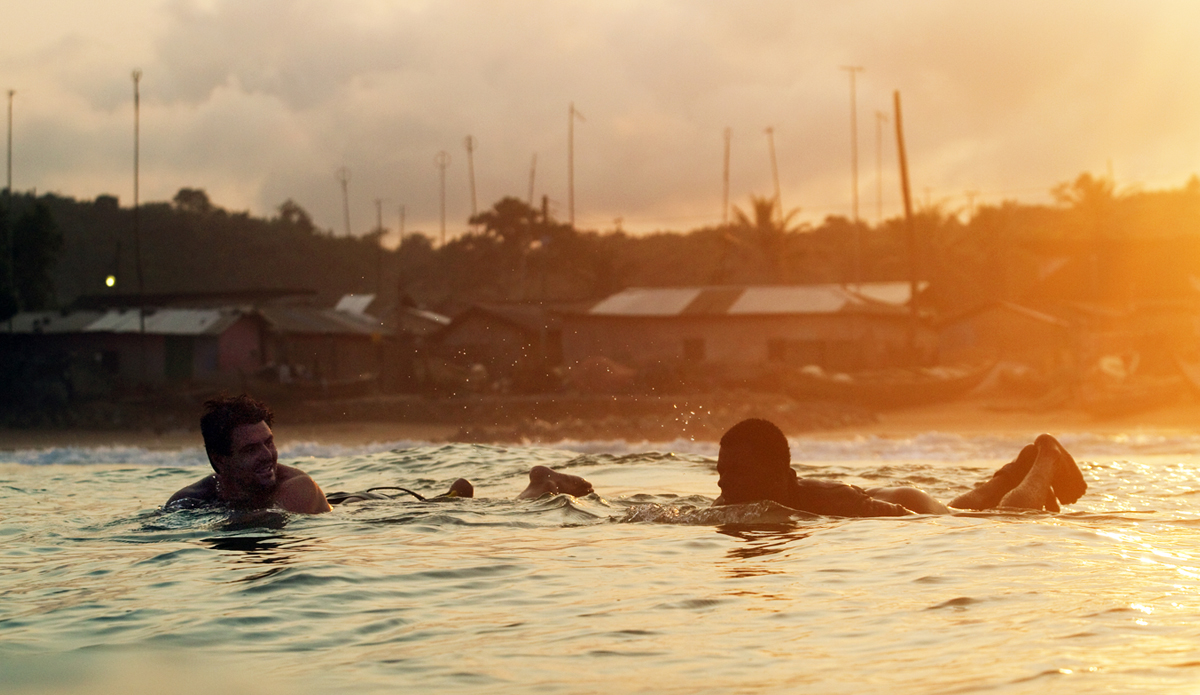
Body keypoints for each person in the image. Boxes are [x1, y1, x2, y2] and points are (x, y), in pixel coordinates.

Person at [713, 418, 1087, 516]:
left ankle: (1048, 453)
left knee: (1007, 518)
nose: (724, 485)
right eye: (721, 473)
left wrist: (937, 527)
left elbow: (909, 521)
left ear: (779, 476)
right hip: (890, 495)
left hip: (907, 505)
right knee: (964, 509)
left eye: (737, 473)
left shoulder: (834, 501)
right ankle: (1016, 470)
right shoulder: (732, 502)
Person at [166, 394, 331, 514]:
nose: (267, 455)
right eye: (251, 449)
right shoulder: (194, 497)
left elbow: (267, 525)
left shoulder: (300, 487)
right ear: (219, 460)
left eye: (268, 443)